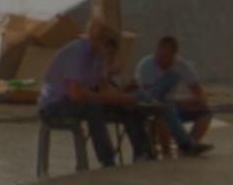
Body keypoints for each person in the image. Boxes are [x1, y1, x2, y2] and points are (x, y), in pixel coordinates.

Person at [37, 17, 150, 165]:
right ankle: (107, 160)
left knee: (128, 105)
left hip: (76, 101)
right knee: (93, 107)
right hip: (55, 104)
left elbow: (105, 87)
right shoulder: (76, 53)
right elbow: (75, 94)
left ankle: (143, 153)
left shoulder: (100, 56)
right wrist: (111, 98)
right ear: (98, 43)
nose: (110, 58)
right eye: (108, 52)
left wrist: (123, 98)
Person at [133, 33, 211, 156]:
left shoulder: (182, 66)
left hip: (173, 104)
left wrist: (183, 103)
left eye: (165, 57)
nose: (160, 60)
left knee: (205, 112)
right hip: (153, 106)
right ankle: (172, 149)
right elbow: (148, 96)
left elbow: (201, 94)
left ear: (173, 56)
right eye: (159, 55)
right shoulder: (146, 65)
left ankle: (188, 146)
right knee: (162, 108)